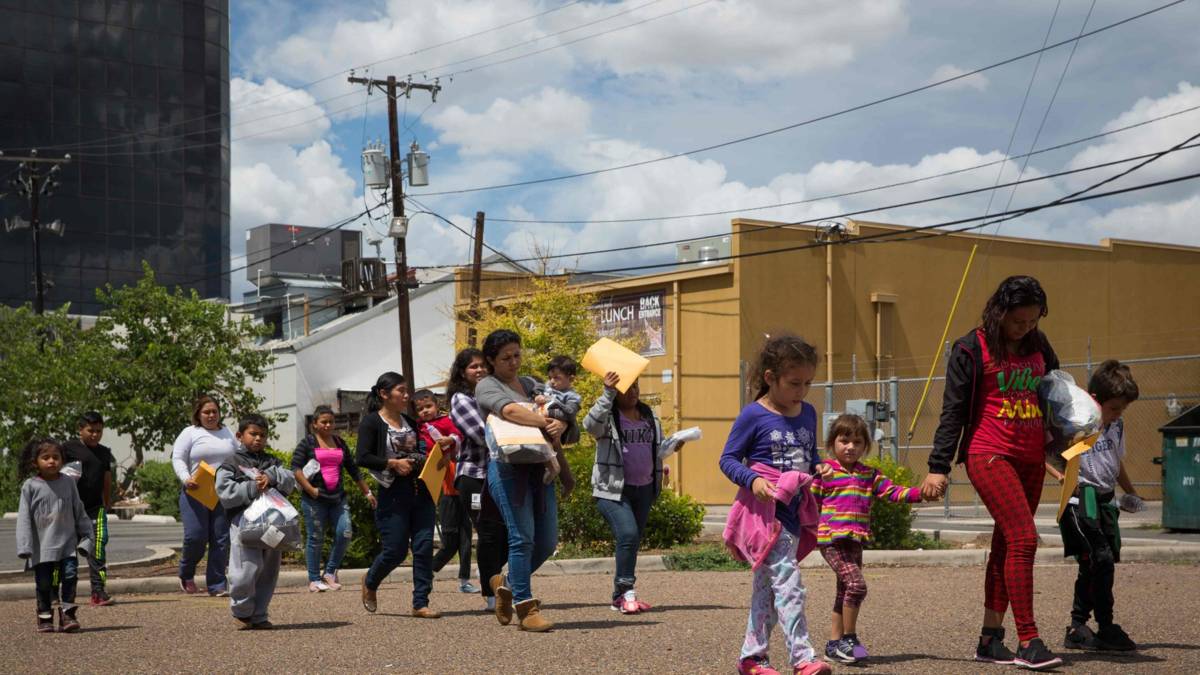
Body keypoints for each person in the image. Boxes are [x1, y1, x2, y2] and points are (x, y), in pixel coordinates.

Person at [921, 275, 1064, 670]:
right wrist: (938, 466)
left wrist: (1066, 448)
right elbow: (953, 410)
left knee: (1006, 546)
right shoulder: (971, 348)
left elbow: (1055, 396)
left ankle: (989, 640)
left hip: (1031, 458)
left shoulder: (1039, 345)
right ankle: (1029, 640)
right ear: (999, 312)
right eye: (1019, 321)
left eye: (1033, 320)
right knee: (1025, 539)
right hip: (988, 453)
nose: (1026, 327)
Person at [720, 333, 831, 675]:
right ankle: (803, 657)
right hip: (764, 517)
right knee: (789, 584)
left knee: (767, 591)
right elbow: (728, 459)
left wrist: (819, 466)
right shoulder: (753, 415)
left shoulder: (808, 412)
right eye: (794, 383)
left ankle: (752, 658)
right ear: (770, 377)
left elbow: (809, 454)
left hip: (794, 513)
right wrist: (753, 480)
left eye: (808, 383)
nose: (802, 391)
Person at [476, 329, 576, 632]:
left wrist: (562, 425)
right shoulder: (487, 385)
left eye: (517, 355)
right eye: (506, 358)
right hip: (508, 471)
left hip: (542, 469)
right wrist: (547, 421)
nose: (514, 362)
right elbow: (509, 411)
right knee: (522, 539)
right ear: (491, 360)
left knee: (546, 543)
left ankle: (504, 582)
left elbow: (563, 425)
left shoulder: (533, 384)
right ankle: (525, 608)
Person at [811, 414, 923, 665]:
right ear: (832, 443)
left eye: (857, 442)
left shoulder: (868, 474)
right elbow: (810, 504)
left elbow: (892, 491)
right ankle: (849, 640)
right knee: (857, 585)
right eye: (844, 441)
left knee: (844, 590)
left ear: (865, 446)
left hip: (856, 540)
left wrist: (920, 494)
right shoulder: (825, 472)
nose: (851, 447)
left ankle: (833, 646)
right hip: (831, 540)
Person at [1051, 361, 1142, 652]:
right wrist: (1060, 476)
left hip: (1105, 501)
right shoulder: (1076, 425)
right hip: (1081, 502)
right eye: (1114, 408)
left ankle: (1077, 628)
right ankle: (1105, 626)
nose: (1118, 414)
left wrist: (1130, 492)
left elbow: (1116, 461)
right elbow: (1046, 452)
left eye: (1122, 409)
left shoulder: (1117, 425)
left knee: (1097, 563)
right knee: (1100, 558)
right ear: (1094, 400)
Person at [583, 371, 674, 614]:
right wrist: (607, 393)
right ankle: (627, 590)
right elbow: (589, 425)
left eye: (636, 386)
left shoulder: (648, 414)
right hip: (612, 491)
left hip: (645, 489)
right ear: (616, 391)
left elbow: (659, 448)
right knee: (628, 533)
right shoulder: (608, 415)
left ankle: (618, 596)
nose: (633, 392)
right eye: (627, 388)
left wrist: (672, 445)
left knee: (631, 542)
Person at [355, 372, 440, 618]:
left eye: (406, 390)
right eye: (401, 390)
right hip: (392, 494)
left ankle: (420, 603)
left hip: (422, 491)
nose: (406, 396)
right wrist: (393, 463)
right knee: (396, 551)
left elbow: (426, 448)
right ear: (384, 394)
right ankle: (371, 580)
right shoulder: (372, 421)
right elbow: (362, 457)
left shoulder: (411, 422)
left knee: (424, 547)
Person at [215, 414, 296, 630]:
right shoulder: (231, 464)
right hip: (243, 523)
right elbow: (225, 493)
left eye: (263, 435)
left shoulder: (273, 462)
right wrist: (252, 487)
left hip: (273, 523)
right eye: (253, 434)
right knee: (246, 569)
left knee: (268, 570)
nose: (258, 438)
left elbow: (290, 480)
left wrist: (273, 476)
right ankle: (241, 611)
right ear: (240, 436)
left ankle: (259, 614)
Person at [448, 347, 511, 612]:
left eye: (482, 365)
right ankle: (491, 594)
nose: (480, 370)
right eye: (473, 366)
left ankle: (489, 571)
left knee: (507, 534)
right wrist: (512, 428)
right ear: (462, 372)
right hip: (474, 475)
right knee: (488, 533)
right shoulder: (461, 399)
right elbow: (481, 433)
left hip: (501, 472)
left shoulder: (496, 391)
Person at [291, 404, 376, 594]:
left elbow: (353, 469)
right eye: (324, 422)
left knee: (345, 533)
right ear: (315, 424)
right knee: (315, 538)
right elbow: (295, 468)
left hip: (338, 498)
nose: (328, 425)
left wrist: (368, 493)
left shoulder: (339, 442)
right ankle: (314, 579)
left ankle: (330, 573)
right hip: (314, 499)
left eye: (331, 421)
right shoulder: (307, 443)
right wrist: (311, 490)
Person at [17, 439, 93, 633]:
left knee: (70, 575)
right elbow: (24, 518)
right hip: (41, 547)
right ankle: (45, 616)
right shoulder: (30, 486)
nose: (51, 461)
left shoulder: (68, 482)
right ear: (35, 462)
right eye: (46, 457)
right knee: (43, 583)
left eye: (56, 457)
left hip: (67, 543)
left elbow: (78, 509)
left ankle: (68, 614)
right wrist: (25, 546)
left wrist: (88, 535)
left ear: (62, 460)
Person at [412, 389, 478, 594]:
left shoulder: (448, 423)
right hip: (447, 492)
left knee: (466, 540)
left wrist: (451, 442)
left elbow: (459, 435)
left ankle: (464, 580)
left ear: (437, 405)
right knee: (449, 542)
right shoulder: (419, 429)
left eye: (428, 406)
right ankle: (427, 571)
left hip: (464, 489)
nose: (425, 411)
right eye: (420, 409)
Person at [171, 396, 238, 596]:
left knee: (220, 540)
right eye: (206, 412)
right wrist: (186, 478)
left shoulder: (227, 433)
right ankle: (186, 572)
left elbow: (239, 458)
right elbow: (178, 457)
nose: (211, 415)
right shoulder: (190, 432)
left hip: (222, 494)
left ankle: (217, 585)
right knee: (195, 537)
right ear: (198, 414)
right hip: (195, 492)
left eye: (214, 411)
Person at [62, 411, 116, 606]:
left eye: (99, 431)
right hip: (68, 509)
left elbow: (107, 479)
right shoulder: (68, 448)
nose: (95, 435)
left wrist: (106, 502)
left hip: (95, 508)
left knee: (98, 546)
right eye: (91, 431)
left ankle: (98, 591)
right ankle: (52, 590)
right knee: (64, 550)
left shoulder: (104, 452)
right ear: (80, 430)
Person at [535, 355, 584, 445]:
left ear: (571, 379)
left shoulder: (572, 397)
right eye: (550, 377)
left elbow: (569, 413)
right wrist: (539, 395)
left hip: (552, 430)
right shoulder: (548, 386)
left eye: (556, 377)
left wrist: (550, 413)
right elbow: (539, 389)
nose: (552, 381)